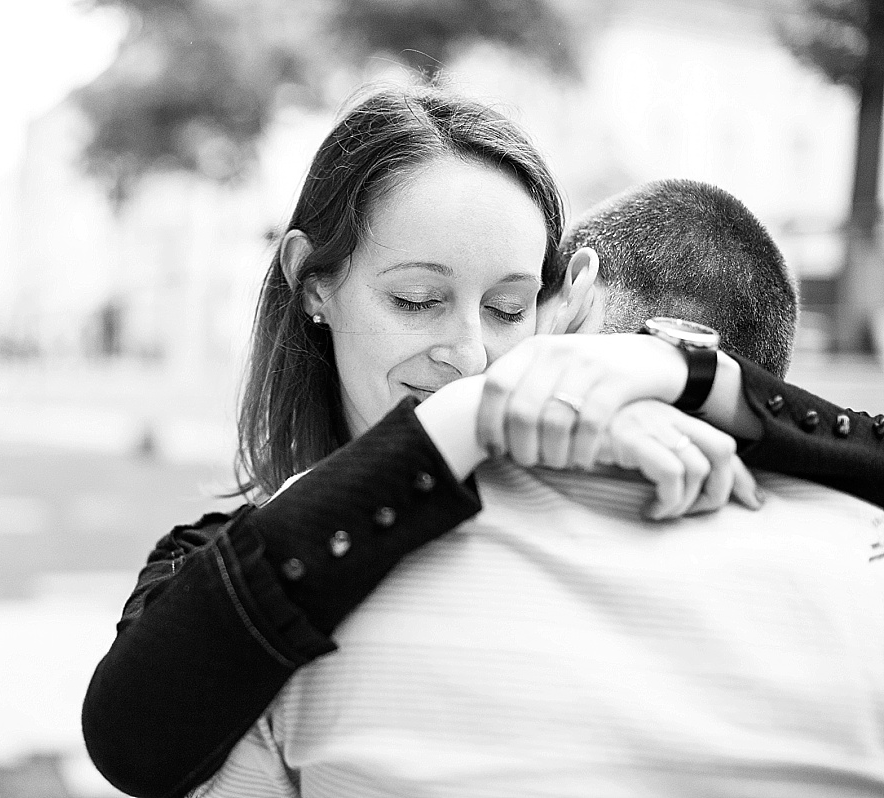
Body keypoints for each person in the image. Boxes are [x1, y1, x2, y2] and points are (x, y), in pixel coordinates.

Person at [81, 84, 884, 798]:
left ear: (564, 305)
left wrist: (685, 372)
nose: (469, 356)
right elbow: (132, 739)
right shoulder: (231, 562)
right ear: (313, 283)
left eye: (507, 309)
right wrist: (455, 425)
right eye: (420, 299)